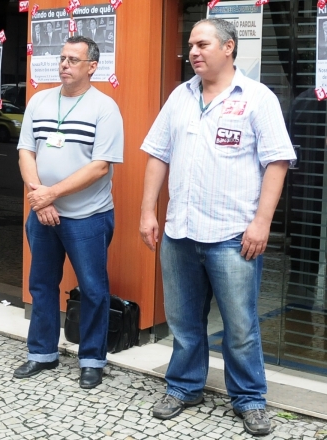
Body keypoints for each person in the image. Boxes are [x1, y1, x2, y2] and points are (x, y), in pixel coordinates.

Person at [139, 18, 295, 436]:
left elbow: (276, 162)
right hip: (180, 233)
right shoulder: (179, 96)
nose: (193, 51)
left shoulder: (257, 98)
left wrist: (262, 223)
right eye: (190, 44)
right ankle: (184, 387)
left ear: (228, 47)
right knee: (185, 321)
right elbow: (158, 154)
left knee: (240, 326)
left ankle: (249, 399)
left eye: (202, 43)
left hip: (232, 235)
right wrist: (148, 211)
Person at [14, 36, 124, 389]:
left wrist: (52, 195)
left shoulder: (105, 108)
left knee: (93, 288)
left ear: (92, 66)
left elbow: (100, 168)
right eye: (62, 58)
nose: (64, 64)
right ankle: (41, 354)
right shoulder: (39, 101)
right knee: (42, 284)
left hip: (88, 215)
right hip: (42, 213)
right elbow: (25, 152)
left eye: (73, 60)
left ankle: (92, 359)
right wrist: (40, 198)